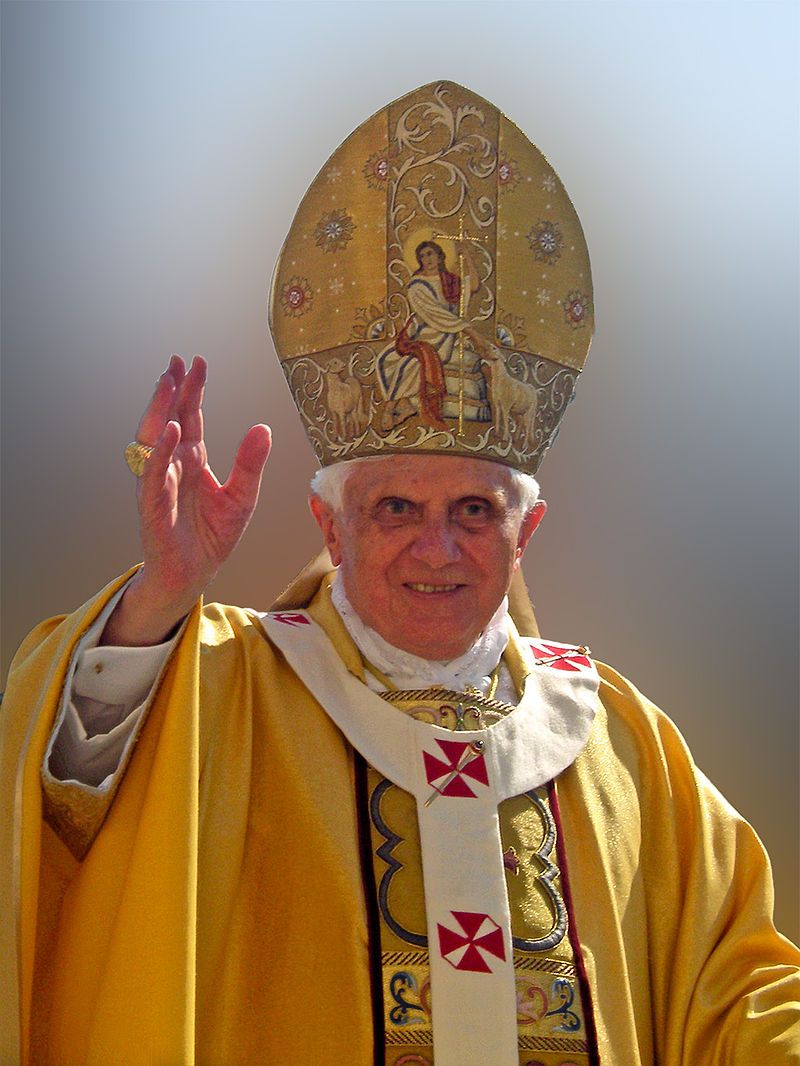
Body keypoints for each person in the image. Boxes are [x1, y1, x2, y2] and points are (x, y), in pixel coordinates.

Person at [3, 79, 800, 1066]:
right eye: (395, 510)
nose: (437, 548)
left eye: (474, 511)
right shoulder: (223, 687)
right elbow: (61, 810)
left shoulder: (621, 742)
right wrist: (163, 592)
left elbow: (741, 991)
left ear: (526, 530)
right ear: (330, 530)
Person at [376, 239, 491, 432]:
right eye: (422, 256)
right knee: (385, 359)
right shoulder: (417, 284)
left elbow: (473, 285)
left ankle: (390, 408)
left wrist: (466, 256)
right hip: (421, 332)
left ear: (440, 257)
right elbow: (434, 313)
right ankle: (407, 406)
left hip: (442, 335)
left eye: (430, 254)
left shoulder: (449, 280)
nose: (426, 259)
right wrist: (469, 331)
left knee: (410, 363)